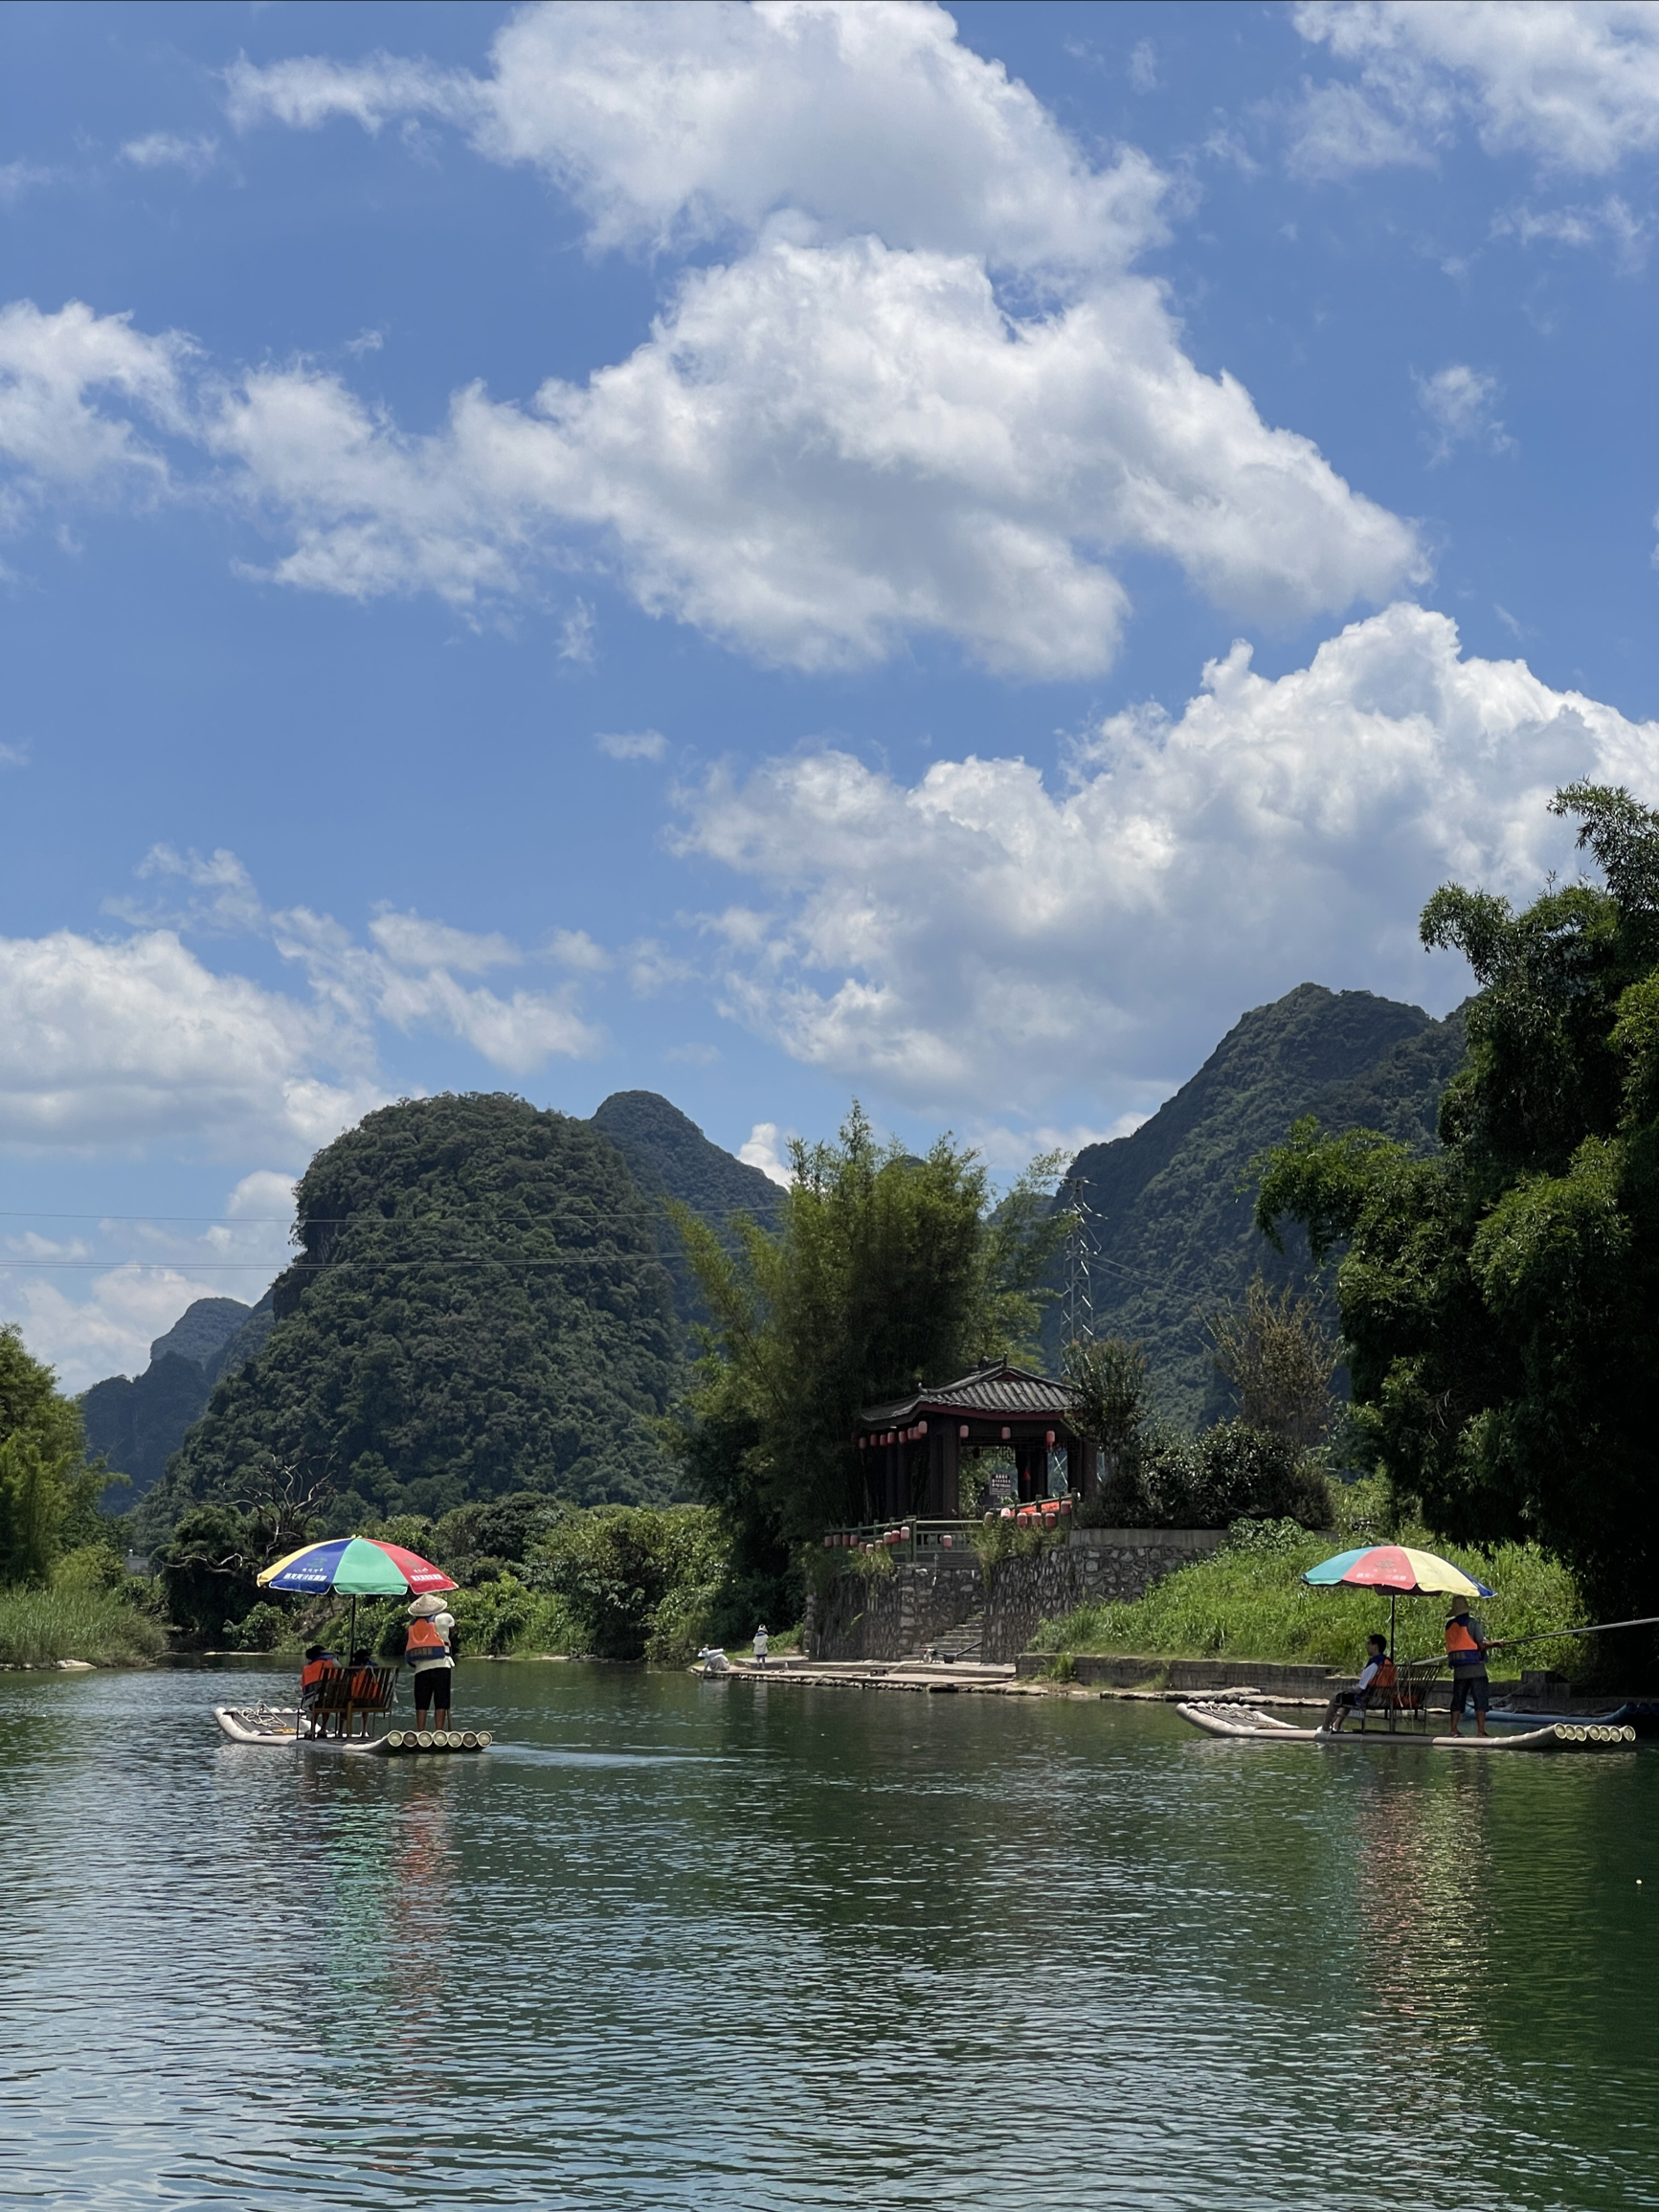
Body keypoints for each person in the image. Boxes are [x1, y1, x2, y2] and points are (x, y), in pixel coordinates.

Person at [394, 1592, 457, 1733]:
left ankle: (421, 1731)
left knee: (421, 1703)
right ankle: (439, 1731)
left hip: (421, 1668)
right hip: (442, 1664)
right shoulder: (444, 1617)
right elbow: (453, 1628)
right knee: (441, 1701)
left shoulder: (412, 1624)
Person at [1322, 1635, 1393, 1732]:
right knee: (1348, 1697)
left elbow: (1360, 1688)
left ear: (1375, 1646)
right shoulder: (1388, 1663)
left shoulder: (1374, 1665)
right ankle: (1337, 1725)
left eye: (1369, 1643)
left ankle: (1325, 1729)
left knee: (1336, 1698)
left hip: (1368, 1699)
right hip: (1384, 1699)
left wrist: (1349, 1688)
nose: (1366, 1646)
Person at [1446, 1600, 1491, 1736]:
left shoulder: (1449, 1626)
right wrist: (1496, 1643)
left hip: (1459, 1670)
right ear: (1467, 1610)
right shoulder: (1473, 1624)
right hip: (1475, 1669)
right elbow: (1482, 1644)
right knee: (1480, 1699)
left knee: (1457, 1700)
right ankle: (1481, 1731)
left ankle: (1453, 1729)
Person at [299, 1644, 332, 1737]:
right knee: (324, 1700)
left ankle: (312, 1728)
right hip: (333, 1698)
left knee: (314, 1700)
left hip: (316, 1699)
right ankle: (323, 1728)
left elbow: (305, 1687)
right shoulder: (331, 1663)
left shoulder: (308, 1668)